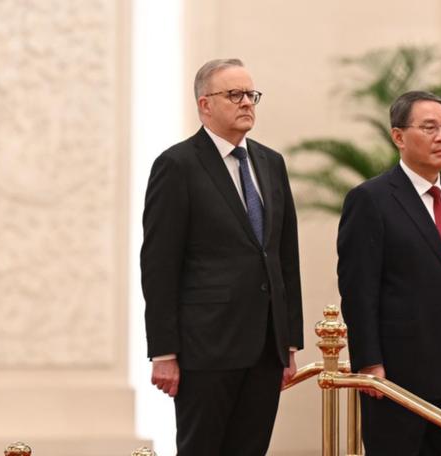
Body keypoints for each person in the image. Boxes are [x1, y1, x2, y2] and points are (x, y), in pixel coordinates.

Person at [140, 58, 303, 456]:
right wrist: (164, 351)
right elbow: (159, 265)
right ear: (204, 104)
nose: (247, 102)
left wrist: (289, 342)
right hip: (205, 348)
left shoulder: (270, 163)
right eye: (234, 94)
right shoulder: (176, 165)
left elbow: (285, 257)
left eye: (251, 94)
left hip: (265, 347)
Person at [337, 90, 441, 455]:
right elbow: (359, 290)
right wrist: (368, 363)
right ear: (398, 136)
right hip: (395, 378)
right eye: (429, 128)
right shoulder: (371, 200)